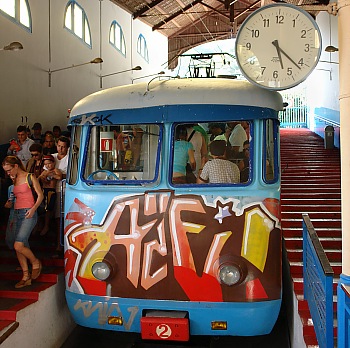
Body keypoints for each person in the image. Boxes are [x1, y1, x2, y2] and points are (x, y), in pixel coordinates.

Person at [2, 156, 44, 288]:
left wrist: (33, 209)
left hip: (28, 212)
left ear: (15, 166)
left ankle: (35, 262)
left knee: (18, 245)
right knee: (19, 246)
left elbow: (40, 195)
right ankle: (26, 276)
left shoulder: (29, 177)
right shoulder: (13, 180)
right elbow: (15, 197)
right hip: (17, 213)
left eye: (9, 170)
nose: (8, 173)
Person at [52, 136, 70, 256]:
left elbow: (70, 175)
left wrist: (61, 176)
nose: (61, 149)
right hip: (52, 190)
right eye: (59, 146)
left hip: (64, 191)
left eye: (63, 147)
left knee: (63, 219)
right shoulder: (52, 157)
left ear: (67, 147)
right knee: (56, 218)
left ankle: (61, 245)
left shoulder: (70, 158)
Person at [38, 155, 62, 236]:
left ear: (53, 163)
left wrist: (52, 175)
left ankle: (46, 225)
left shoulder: (55, 170)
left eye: (49, 164)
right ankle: (41, 225)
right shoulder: (45, 171)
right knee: (42, 208)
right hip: (44, 191)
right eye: (46, 164)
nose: (48, 166)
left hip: (51, 191)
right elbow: (38, 178)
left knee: (49, 209)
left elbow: (59, 177)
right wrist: (43, 177)